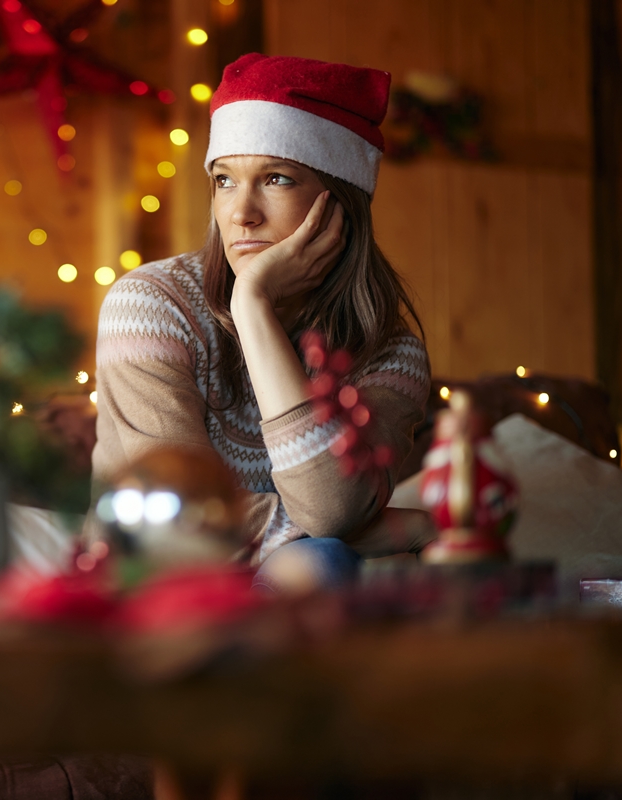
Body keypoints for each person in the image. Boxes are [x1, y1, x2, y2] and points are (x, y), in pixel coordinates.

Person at [93, 54, 433, 590]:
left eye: (275, 178)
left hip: (293, 580)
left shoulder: (390, 355)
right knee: (324, 559)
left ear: (340, 202)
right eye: (224, 180)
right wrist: (380, 532)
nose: (240, 213)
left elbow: (330, 512)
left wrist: (253, 309)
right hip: (154, 575)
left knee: (323, 565)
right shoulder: (150, 305)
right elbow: (179, 510)